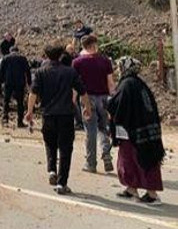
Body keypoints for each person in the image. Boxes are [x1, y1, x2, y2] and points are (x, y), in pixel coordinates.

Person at [25, 42, 92, 195]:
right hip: (66, 115)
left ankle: (51, 170)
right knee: (66, 149)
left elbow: (33, 93)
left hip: (48, 115)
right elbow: (82, 92)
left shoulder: (40, 72)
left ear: (47, 55)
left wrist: (29, 112)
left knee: (50, 144)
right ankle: (62, 183)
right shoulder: (70, 72)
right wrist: (87, 108)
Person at [108, 56, 165, 205]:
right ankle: (131, 188)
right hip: (145, 130)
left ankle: (152, 194)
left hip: (132, 131)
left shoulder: (126, 84)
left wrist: (109, 105)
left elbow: (118, 105)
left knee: (136, 160)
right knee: (132, 160)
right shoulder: (139, 83)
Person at [72, 35, 115, 173]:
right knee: (103, 128)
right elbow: (111, 83)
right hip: (103, 97)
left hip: (87, 98)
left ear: (83, 46)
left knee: (90, 131)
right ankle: (106, 153)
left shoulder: (77, 62)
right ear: (95, 44)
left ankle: (91, 163)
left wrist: (72, 100)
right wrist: (113, 99)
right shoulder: (105, 61)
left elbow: (75, 85)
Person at [0, 47, 30, 127]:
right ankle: (20, 122)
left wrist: (2, 81)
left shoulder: (5, 58)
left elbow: (1, 70)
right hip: (20, 83)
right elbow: (27, 70)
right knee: (20, 102)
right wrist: (29, 82)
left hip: (8, 82)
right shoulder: (23, 58)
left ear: (10, 51)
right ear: (18, 51)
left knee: (6, 101)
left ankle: (5, 119)